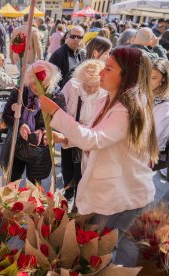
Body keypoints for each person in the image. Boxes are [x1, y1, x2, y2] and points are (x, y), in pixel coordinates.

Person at [40, 47, 159, 267]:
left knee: (102, 256)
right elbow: (97, 136)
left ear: (127, 75)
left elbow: (93, 139)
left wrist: (56, 113)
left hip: (119, 199)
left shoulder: (127, 109)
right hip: (109, 195)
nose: (101, 72)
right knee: (98, 252)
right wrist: (65, 138)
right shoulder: (109, 100)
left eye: (109, 68)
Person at [1, 61, 65, 183]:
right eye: (35, 83)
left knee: (34, 186)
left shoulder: (57, 96)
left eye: (44, 84)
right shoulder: (19, 92)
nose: (38, 88)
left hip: (40, 151)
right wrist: (20, 126)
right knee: (12, 182)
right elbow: (7, 115)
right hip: (16, 145)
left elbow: (61, 123)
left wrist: (44, 131)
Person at [60, 59, 107, 200]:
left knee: (83, 170)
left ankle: (79, 200)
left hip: (89, 137)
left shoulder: (105, 93)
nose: (92, 89)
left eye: (95, 86)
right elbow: (60, 107)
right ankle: (68, 192)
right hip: (68, 133)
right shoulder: (72, 85)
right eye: (88, 85)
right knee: (67, 165)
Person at [151, 59, 169, 175]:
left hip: (150, 156)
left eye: (154, 78)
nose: (148, 81)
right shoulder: (142, 95)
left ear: (163, 79)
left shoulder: (165, 105)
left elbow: (157, 136)